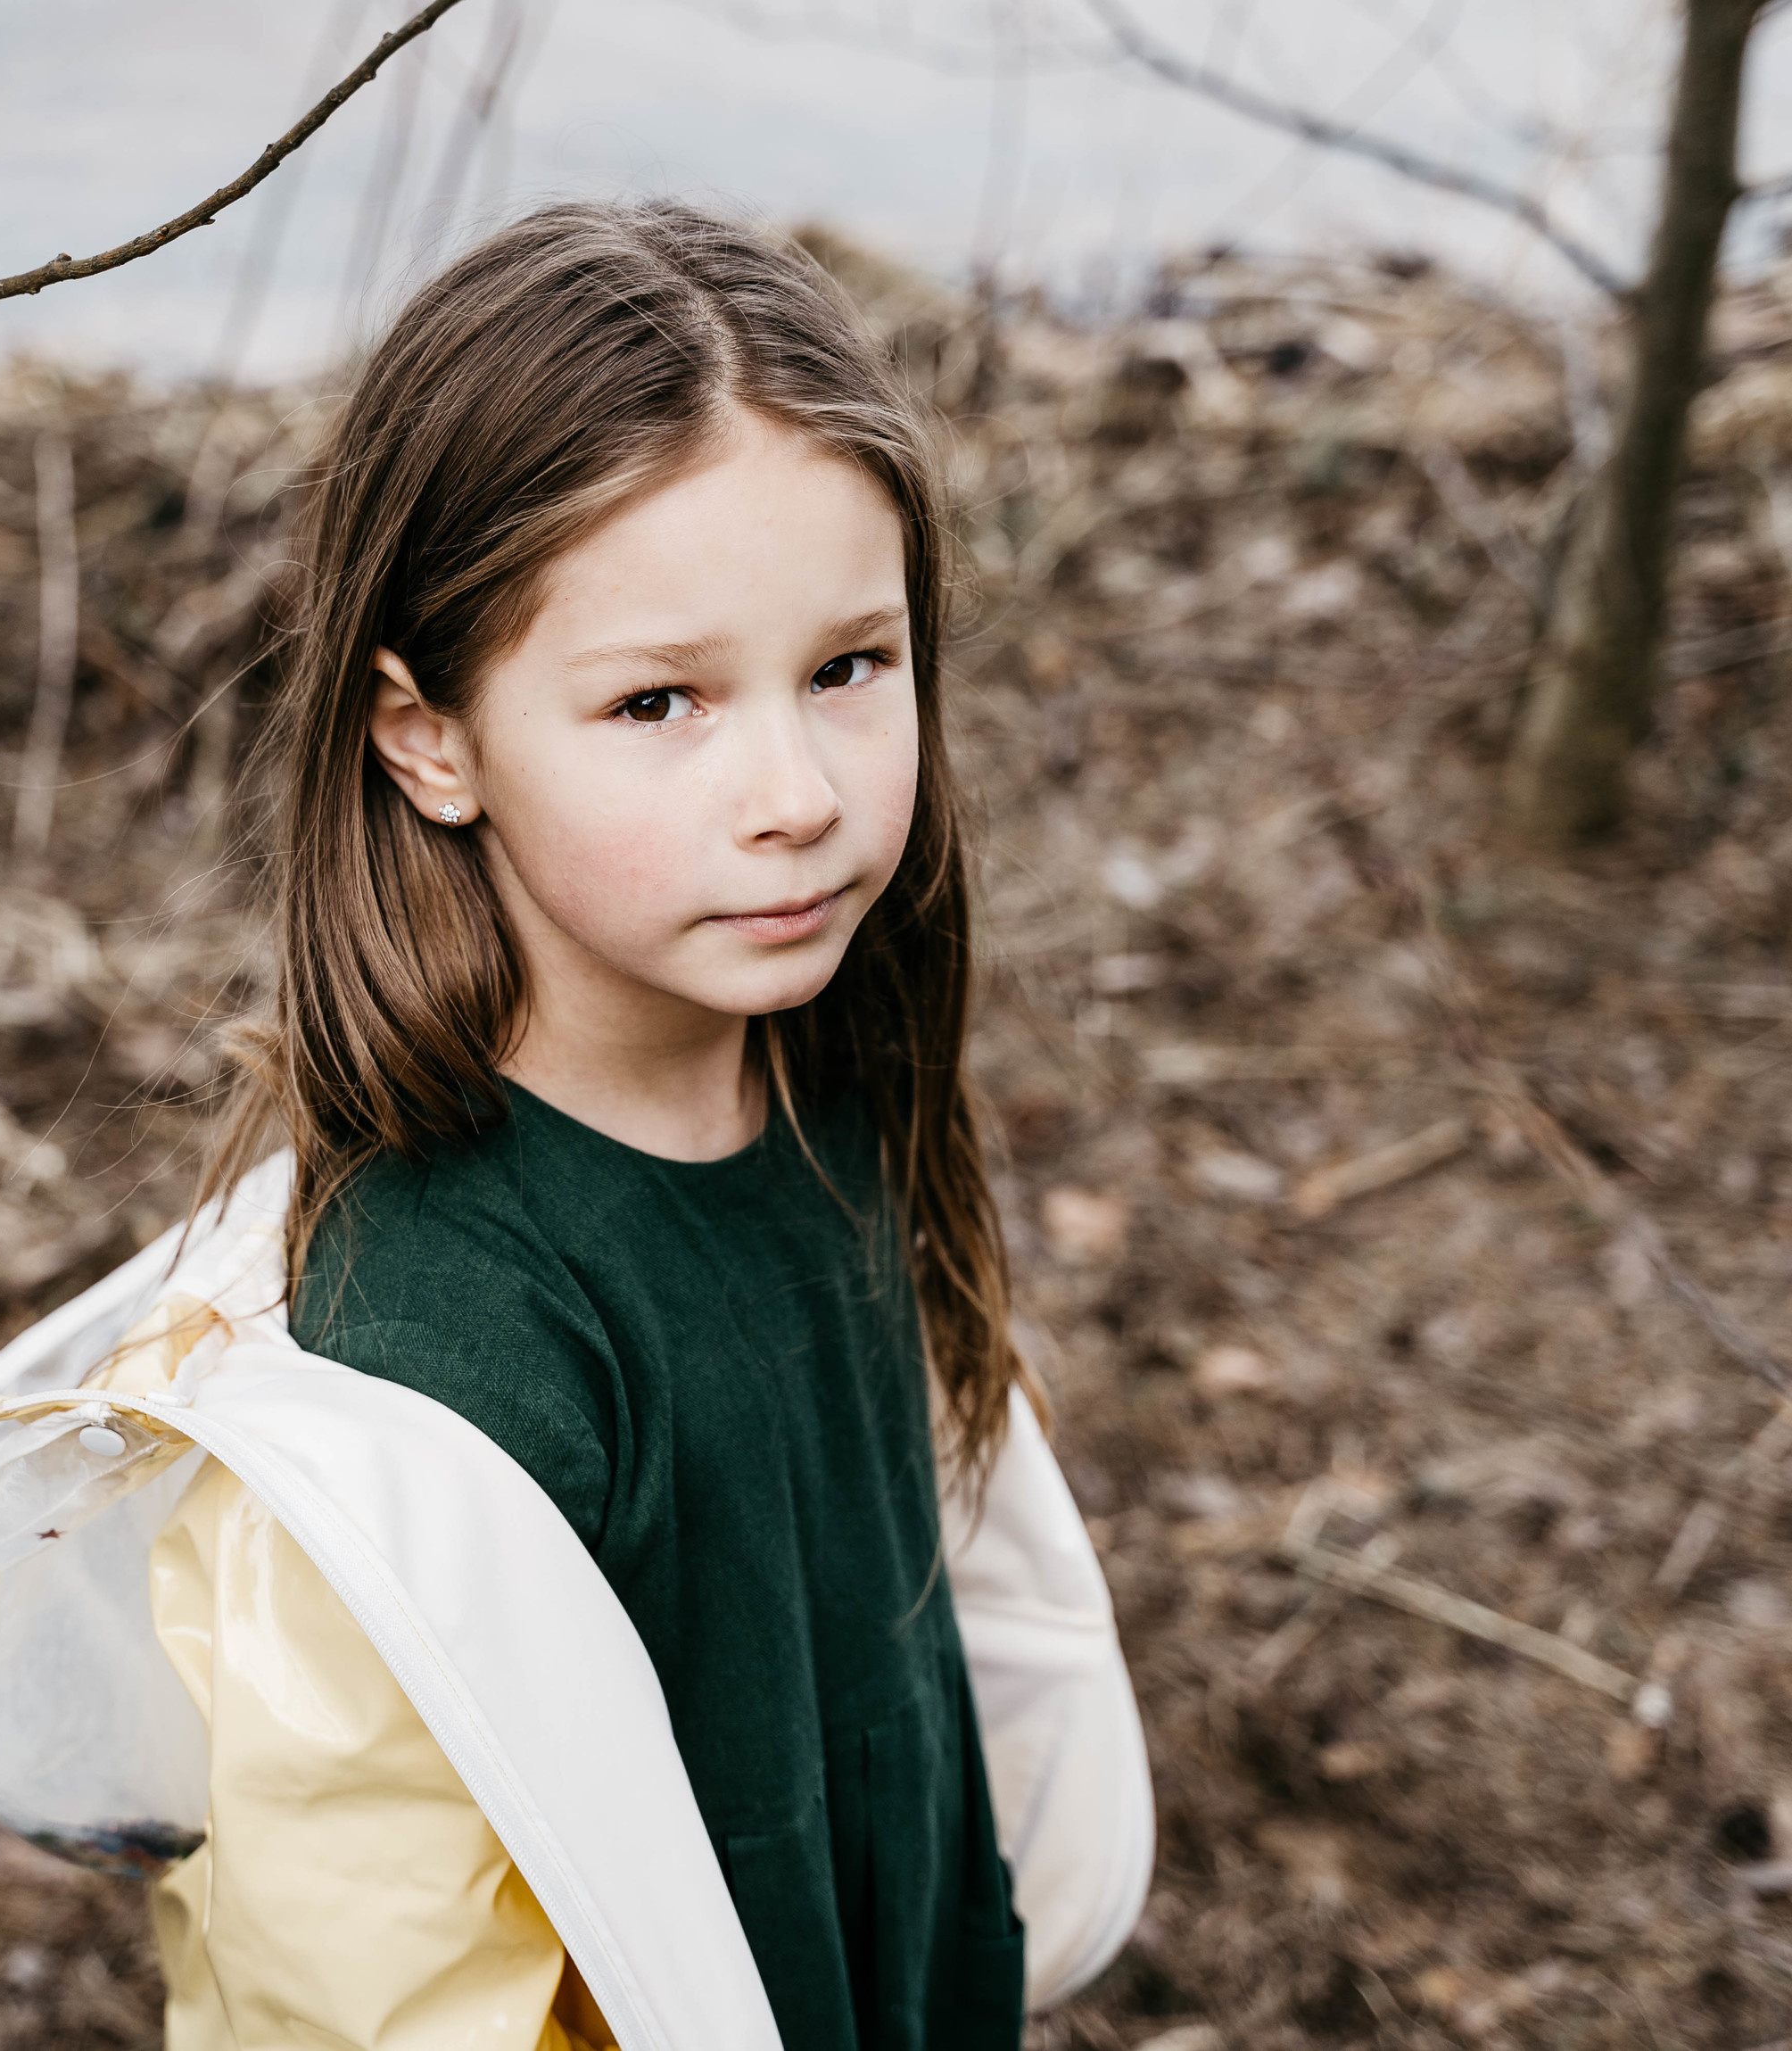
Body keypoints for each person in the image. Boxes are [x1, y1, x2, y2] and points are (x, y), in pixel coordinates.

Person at [91, 200, 1144, 2050]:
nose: (796, 796)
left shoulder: (820, 1069)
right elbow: (370, 1983)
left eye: (846, 667)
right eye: (658, 701)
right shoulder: (433, 1351)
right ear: (429, 738)